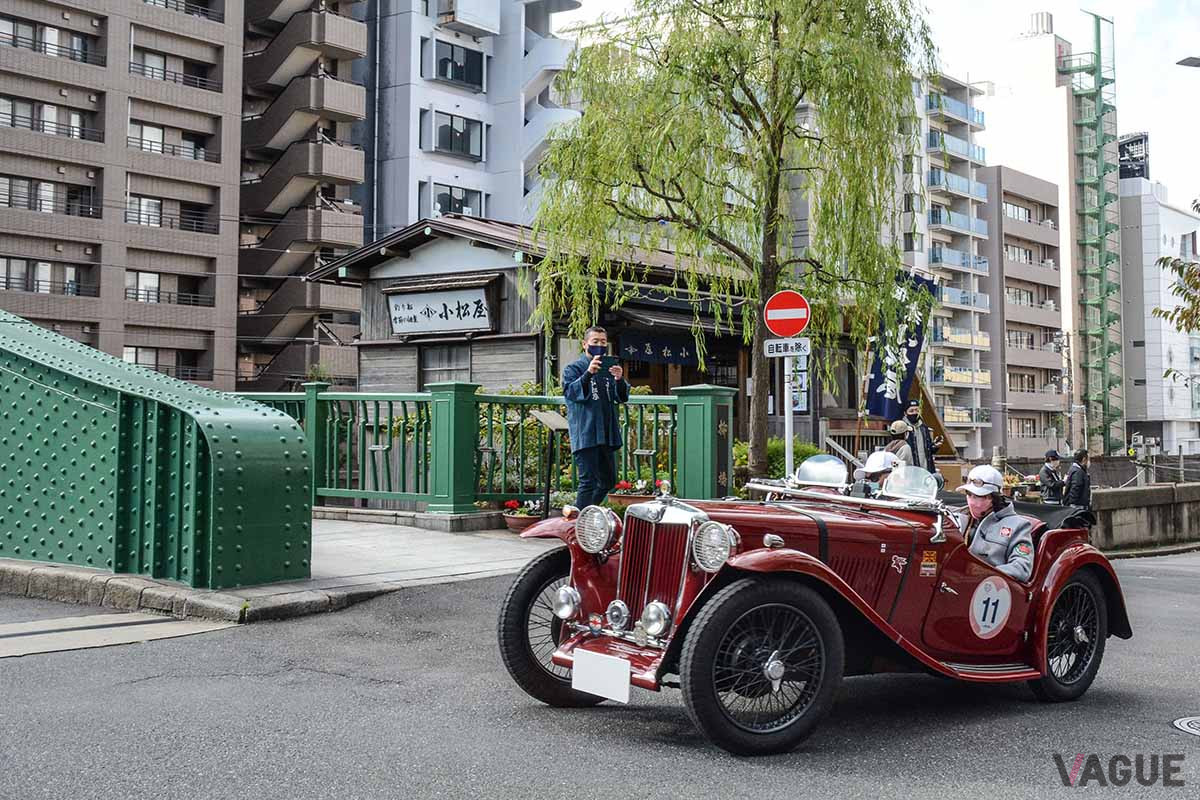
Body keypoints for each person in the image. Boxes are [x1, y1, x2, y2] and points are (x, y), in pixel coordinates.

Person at [562, 326, 630, 509]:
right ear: (585, 344)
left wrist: (619, 379)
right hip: (586, 430)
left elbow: (622, 396)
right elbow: (570, 392)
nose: (600, 345)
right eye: (595, 341)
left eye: (603, 342)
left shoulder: (607, 368)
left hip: (606, 432)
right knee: (588, 481)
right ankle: (579, 520)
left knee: (608, 480)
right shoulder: (573, 368)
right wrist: (588, 373)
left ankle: (586, 514)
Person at [957, 464, 1035, 582]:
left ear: (994, 498)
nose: (972, 501)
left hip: (991, 588)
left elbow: (1022, 568)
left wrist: (985, 574)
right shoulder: (957, 517)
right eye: (969, 494)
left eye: (979, 496)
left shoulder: (1018, 526)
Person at [902, 400, 942, 472]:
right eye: (911, 411)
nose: (915, 413)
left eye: (917, 410)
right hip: (909, 471)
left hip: (926, 470)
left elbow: (929, 450)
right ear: (905, 413)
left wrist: (935, 446)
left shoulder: (924, 427)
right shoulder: (902, 428)